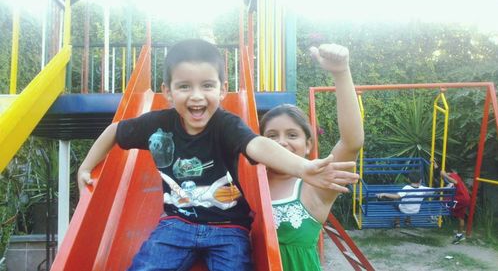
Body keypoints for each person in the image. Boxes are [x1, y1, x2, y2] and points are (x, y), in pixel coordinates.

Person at [77, 39, 359, 271]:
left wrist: (302, 168)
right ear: (167, 92)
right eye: (184, 86)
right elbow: (115, 130)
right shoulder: (157, 124)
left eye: (207, 86)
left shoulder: (226, 124)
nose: (196, 96)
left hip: (228, 228)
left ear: (223, 89)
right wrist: (86, 167)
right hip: (177, 224)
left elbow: (257, 145)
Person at [260, 43, 364, 271]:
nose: (281, 142)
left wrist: (341, 73)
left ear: (308, 145)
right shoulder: (249, 182)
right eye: (271, 135)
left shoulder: (315, 184)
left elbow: (351, 142)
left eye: (292, 135)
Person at [441, 169, 470, 244]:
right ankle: (460, 235)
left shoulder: (454, 175)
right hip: (465, 198)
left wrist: (445, 175)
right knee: (461, 217)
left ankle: (435, 216)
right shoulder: (457, 177)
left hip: (461, 199)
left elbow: (455, 181)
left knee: (444, 201)